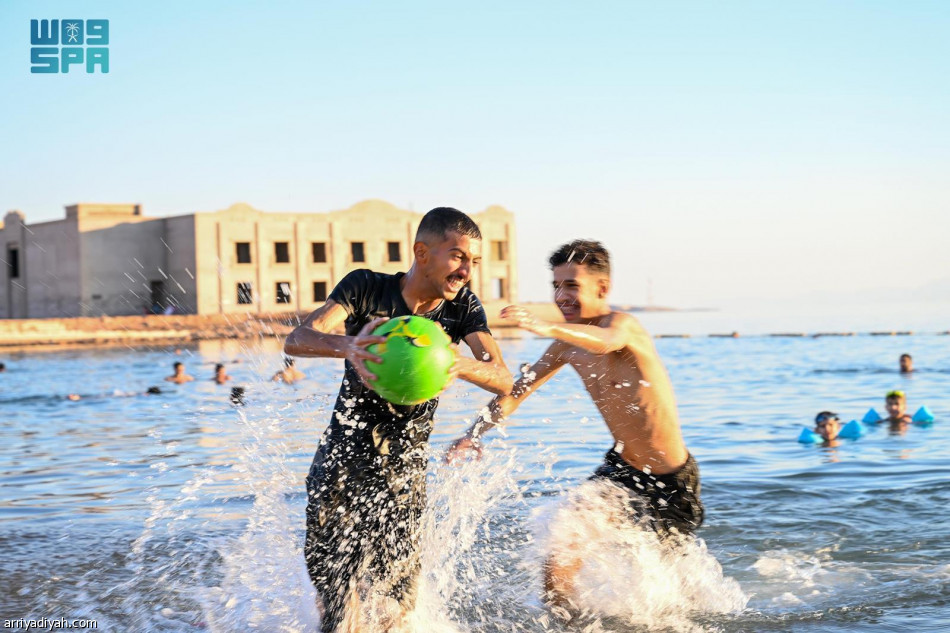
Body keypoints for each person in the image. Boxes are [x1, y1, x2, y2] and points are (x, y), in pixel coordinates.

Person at [284, 207, 513, 632]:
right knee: (337, 610)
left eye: (474, 262)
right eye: (459, 256)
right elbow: (298, 339)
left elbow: (502, 379)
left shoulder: (461, 307)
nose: (467, 271)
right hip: (341, 462)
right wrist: (350, 345)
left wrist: (456, 364)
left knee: (395, 609)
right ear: (422, 253)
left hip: (404, 471)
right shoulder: (365, 287)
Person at [446, 239, 704, 616]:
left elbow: (604, 343)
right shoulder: (564, 347)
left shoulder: (624, 327)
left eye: (572, 286)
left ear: (602, 289)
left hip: (671, 481)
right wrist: (473, 433)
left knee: (672, 600)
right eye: (556, 285)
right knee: (561, 547)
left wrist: (537, 323)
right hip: (620, 470)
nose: (561, 295)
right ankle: (569, 623)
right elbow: (516, 392)